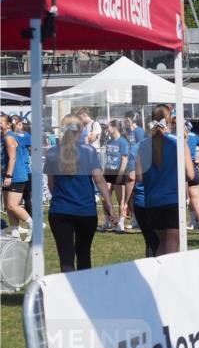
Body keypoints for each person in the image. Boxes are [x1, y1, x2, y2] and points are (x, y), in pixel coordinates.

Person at [43, 114, 114, 271]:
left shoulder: (52, 153)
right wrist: (109, 205)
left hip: (60, 211)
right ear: (81, 130)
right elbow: (99, 180)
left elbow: (51, 184)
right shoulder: (89, 151)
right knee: (84, 254)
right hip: (85, 211)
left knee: (66, 258)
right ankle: (83, 292)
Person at [135, 105, 195, 255]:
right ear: (170, 121)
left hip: (151, 201)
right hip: (172, 200)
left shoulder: (143, 145)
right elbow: (190, 174)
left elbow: (139, 177)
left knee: (161, 243)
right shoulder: (179, 142)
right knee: (173, 246)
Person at [1, 113, 32, 238]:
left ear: (8, 124)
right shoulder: (3, 137)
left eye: (0, 122)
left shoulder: (9, 137)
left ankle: (33, 224)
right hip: (5, 175)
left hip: (16, 176)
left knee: (13, 205)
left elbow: (12, 158)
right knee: (8, 206)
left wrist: (8, 176)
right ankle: (15, 231)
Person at [100, 120, 129, 231]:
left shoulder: (122, 142)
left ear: (115, 128)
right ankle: (108, 220)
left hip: (118, 172)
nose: (107, 128)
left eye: (109, 126)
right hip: (108, 171)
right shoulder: (109, 141)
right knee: (104, 197)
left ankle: (121, 223)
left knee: (120, 199)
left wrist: (120, 174)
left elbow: (124, 159)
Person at [122, 111, 145, 229]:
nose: (125, 121)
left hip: (137, 164)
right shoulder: (129, 132)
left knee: (135, 192)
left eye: (127, 118)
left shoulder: (139, 131)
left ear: (132, 119)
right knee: (131, 194)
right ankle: (135, 218)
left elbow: (142, 147)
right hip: (130, 162)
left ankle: (138, 219)